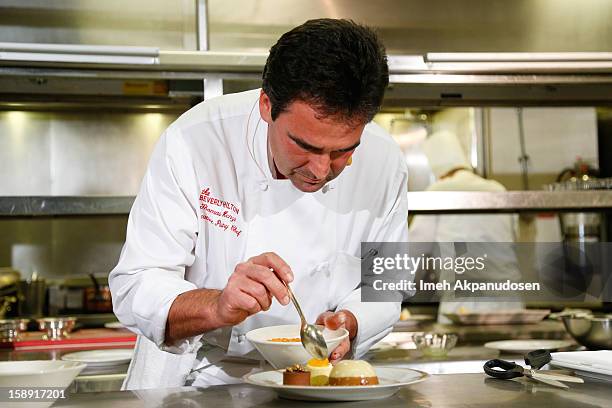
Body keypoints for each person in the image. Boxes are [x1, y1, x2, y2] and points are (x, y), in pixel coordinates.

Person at [109, 19, 409, 389]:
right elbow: (136, 284)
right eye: (306, 146)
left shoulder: (384, 160)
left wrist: (350, 322)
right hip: (198, 378)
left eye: (343, 151)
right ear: (267, 105)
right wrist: (217, 305)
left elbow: (386, 281)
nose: (319, 170)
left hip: (320, 378)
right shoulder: (195, 141)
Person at [409, 130, 524, 323]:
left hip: (464, 304)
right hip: (509, 301)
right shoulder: (497, 188)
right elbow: (515, 239)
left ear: (438, 170)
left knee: (466, 353)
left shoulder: (437, 192)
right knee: (509, 352)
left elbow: (413, 250)